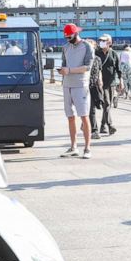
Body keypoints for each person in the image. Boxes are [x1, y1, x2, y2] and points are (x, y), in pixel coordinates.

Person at [59, 23, 93, 159]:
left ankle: (87, 148)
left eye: (70, 37)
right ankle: (73, 147)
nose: (68, 39)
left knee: (84, 116)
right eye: (66, 37)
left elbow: (87, 67)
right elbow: (64, 64)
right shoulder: (65, 47)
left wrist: (70, 70)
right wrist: (62, 71)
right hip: (67, 84)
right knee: (70, 116)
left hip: (80, 85)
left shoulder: (87, 46)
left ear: (76, 34)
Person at [96, 33, 120, 135]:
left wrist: (121, 81)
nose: (102, 43)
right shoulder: (96, 53)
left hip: (111, 82)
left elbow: (118, 68)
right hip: (101, 83)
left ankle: (102, 126)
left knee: (108, 105)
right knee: (106, 102)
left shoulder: (114, 54)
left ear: (109, 42)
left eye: (104, 41)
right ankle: (110, 125)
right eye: (100, 41)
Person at [86, 39, 104, 141]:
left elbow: (99, 71)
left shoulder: (97, 59)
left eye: (91, 46)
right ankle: (94, 130)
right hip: (84, 86)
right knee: (90, 109)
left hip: (94, 86)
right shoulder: (83, 58)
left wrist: (100, 81)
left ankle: (88, 125)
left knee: (94, 107)